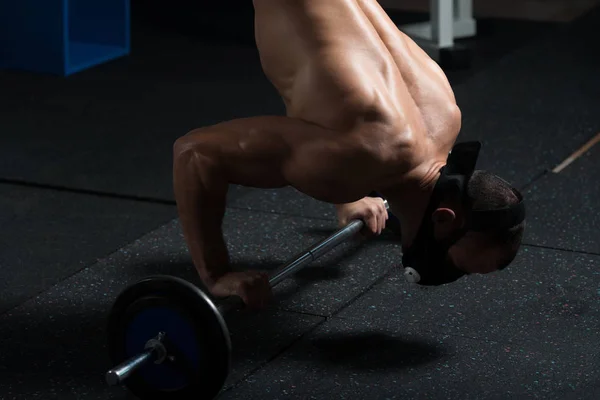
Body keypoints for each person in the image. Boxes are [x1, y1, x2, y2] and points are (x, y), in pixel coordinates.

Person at [172, 0, 526, 309]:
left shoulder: (444, 115)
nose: (450, 274)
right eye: (457, 267)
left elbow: (341, 103)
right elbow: (195, 154)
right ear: (444, 219)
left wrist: (352, 190)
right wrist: (217, 274)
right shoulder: (356, 158)